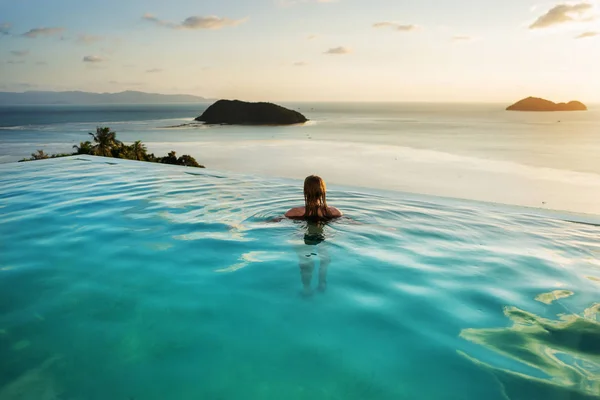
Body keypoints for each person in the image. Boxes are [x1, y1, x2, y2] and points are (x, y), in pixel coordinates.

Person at [285, 175, 342, 296]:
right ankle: (322, 284)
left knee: (305, 262)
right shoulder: (333, 212)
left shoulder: (295, 212)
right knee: (325, 261)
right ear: (323, 191)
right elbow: (352, 222)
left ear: (305, 191)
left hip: (304, 236)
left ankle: (306, 289)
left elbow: (274, 221)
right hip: (325, 236)